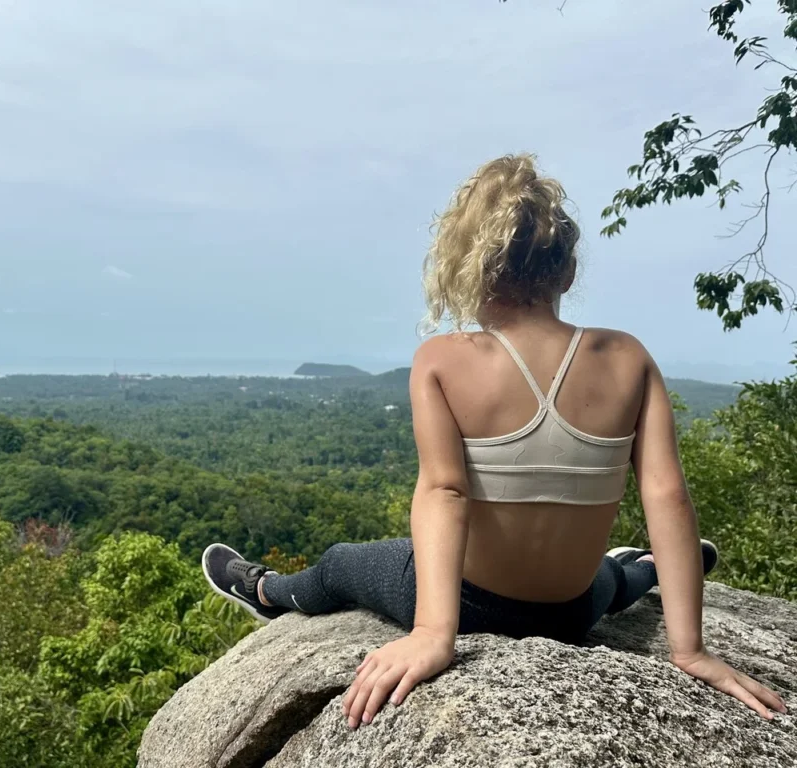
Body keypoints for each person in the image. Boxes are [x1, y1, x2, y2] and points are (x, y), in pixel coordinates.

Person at [202, 154, 787, 730]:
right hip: (570, 612)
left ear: (468, 267)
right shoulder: (629, 358)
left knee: (340, 565)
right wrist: (689, 651)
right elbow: (667, 497)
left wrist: (434, 633)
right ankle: (650, 569)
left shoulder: (443, 360)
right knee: (610, 585)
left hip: (474, 605)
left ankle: (267, 592)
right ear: (567, 271)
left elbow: (444, 492)